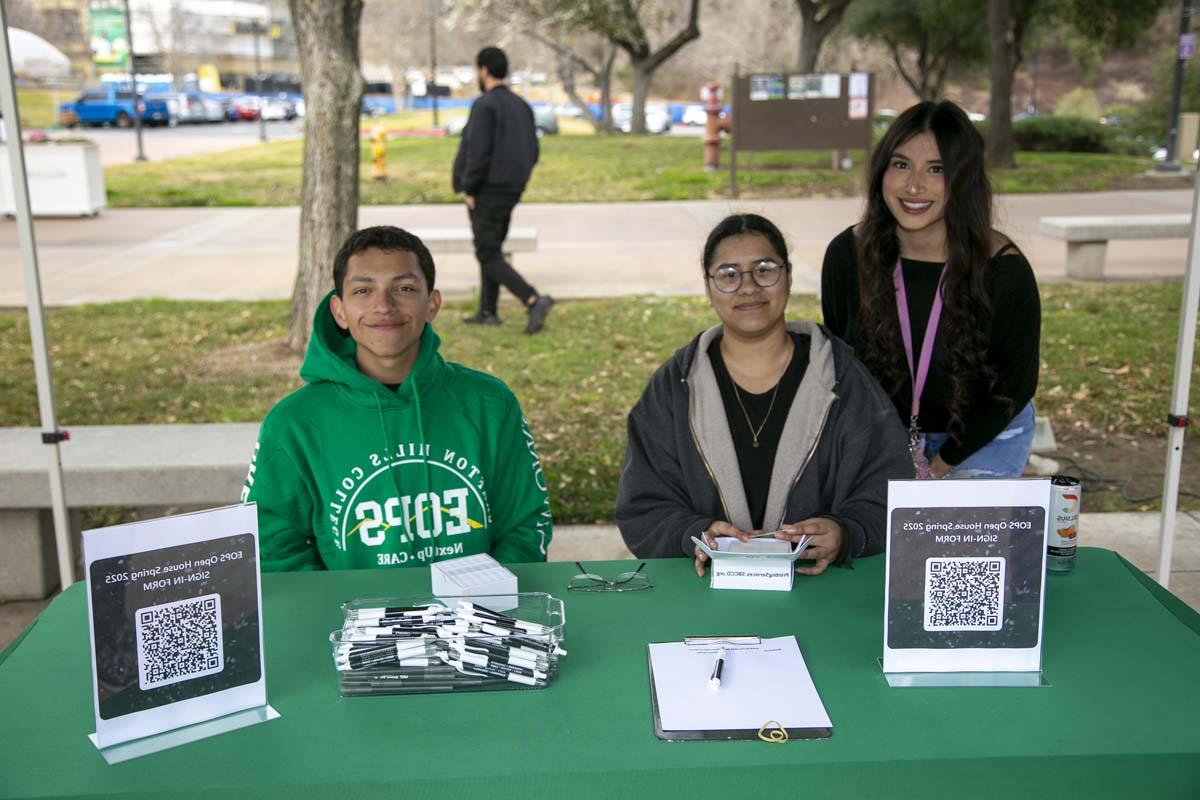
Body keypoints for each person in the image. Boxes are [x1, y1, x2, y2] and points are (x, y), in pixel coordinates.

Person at [242, 226, 553, 571]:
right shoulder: (294, 424)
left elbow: (524, 525)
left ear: (432, 304)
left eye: (404, 289)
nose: (383, 306)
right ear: (340, 311)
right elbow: (273, 547)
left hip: (477, 618)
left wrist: (485, 607)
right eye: (363, 290)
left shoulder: (490, 404)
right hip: (348, 622)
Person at [616, 214, 912, 577]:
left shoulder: (843, 380)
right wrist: (691, 535)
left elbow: (890, 491)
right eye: (728, 275)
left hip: (819, 595)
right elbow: (642, 505)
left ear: (788, 276)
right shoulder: (674, 388)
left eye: (765, 269)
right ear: (708, 288)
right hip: (704, 597)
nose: (748, 287)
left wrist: (846, 533)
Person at [821, 100, 1041, 479]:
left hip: (986, 436)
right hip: (886, 436)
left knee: (956, 537)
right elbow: (848, 367)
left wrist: (941, 466)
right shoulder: (847, 256)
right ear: (881, 171)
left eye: (936, 169)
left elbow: (1013, 387)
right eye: (901, 164)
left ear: (963, 179)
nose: (913, 185)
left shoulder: (1005, 271)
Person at [452, 45, 554, 333]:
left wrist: (469, 187)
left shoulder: (485, 105)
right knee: (493, 249)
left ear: (484, 71)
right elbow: (533, 151)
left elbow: (478, 151)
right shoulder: (521, 105)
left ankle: (533, 299)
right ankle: (488, 311)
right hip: (511, 190)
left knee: (487, 253)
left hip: (487, 190)